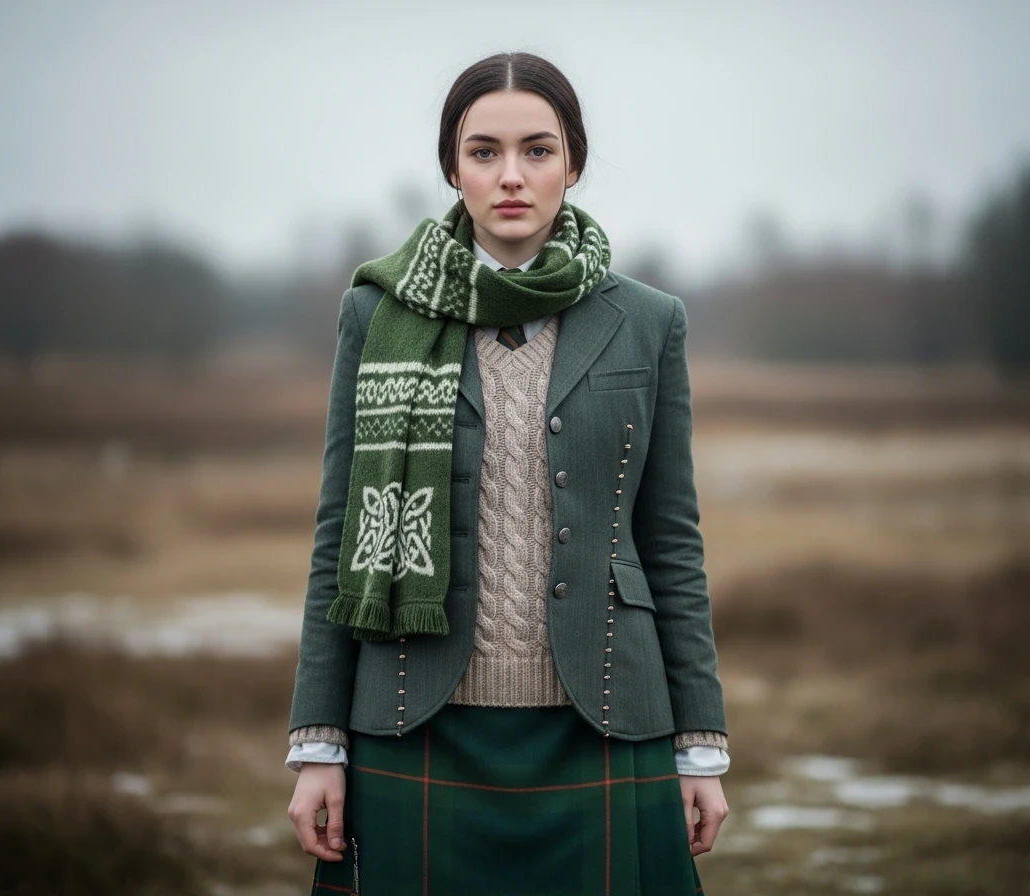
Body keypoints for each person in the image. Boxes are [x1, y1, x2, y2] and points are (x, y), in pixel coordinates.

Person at [285, 50, 730, 895]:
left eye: (537, 149)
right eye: (484, 151)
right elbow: (338, 533)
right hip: (414, 717)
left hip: (605, 720)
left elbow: (671, 541)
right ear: (453, 168)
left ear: (574, 162)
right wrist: (318, 742)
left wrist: (700, 742)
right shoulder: (376, 314)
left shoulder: (647, 321)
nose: (511, 175)